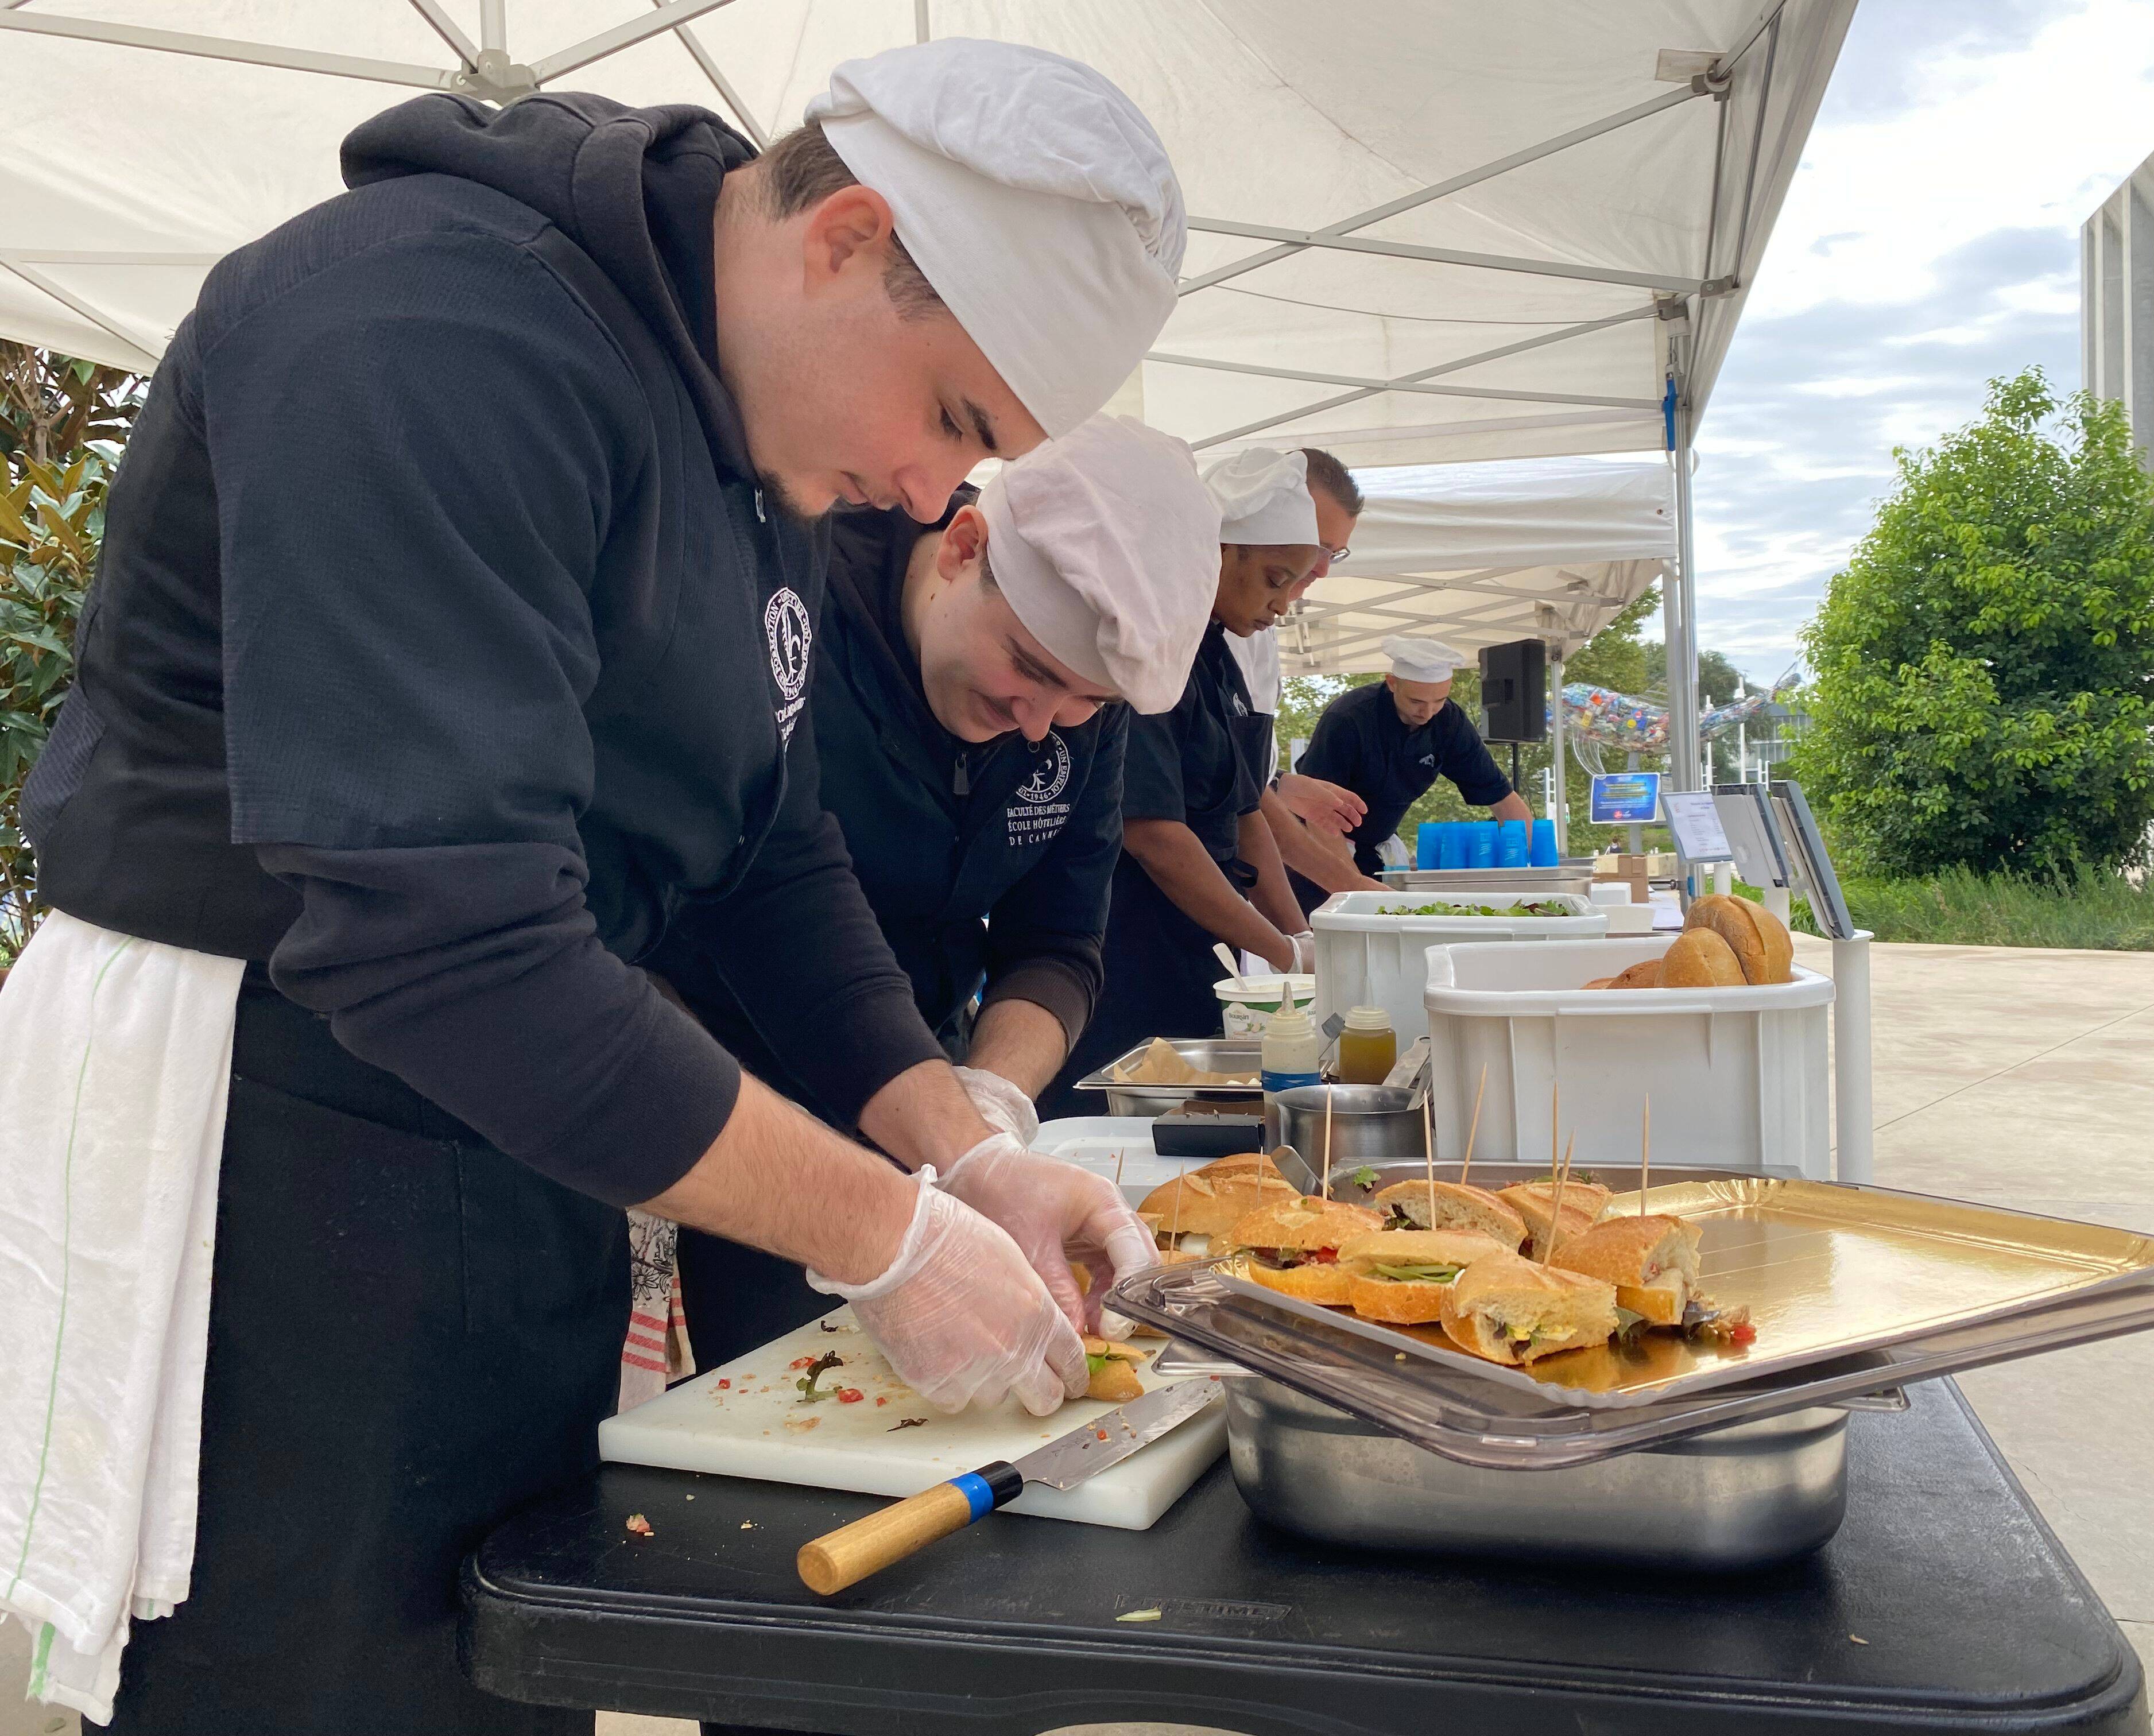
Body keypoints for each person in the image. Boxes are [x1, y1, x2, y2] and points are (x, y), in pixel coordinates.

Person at [0, 40, 1186, 1733]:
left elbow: (762, 851)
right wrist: (882, 1238)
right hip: (259, 1143)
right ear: (844, 235)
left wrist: (955, 1141)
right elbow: (445, 948)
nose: (935, 497)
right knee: (306, 1679)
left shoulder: (742, 435)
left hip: (508, 1153)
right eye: (952, 421)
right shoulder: (424, 331)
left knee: (504, 1662)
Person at [676, 413, 1219, 1369]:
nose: (1038, 722)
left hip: (921, 1096)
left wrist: (990, 1103)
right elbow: (763, 900)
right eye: (1030, 668)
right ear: (963, 549)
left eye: (1083, 707)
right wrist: (950, 1149)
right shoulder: (793, 603)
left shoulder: (1069, 715)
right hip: (716, 1093)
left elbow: (1055, 942)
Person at [1040, 448, 1326, 1119]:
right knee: (1112, 1135)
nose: (1283, 606)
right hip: (1127, 950)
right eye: (1275, 579)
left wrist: (1300, 937)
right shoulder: (1152, 651)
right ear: (1218, 552)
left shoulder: (1217, 658)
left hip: (1204, 952)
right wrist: (1277, 948)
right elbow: (1156, 836)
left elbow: (1245, 811)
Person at [1226, 447, 1389, 902]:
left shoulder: (1257, 623)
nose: (1319, 568)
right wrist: (1350, 890)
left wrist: (1279, 783)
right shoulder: (1215, 627)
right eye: (1315, 544)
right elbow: (1234, 804)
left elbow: (1242, 777)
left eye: (1333, 554)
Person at [1289, 635, 1535, 901]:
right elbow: (1319, 815)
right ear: (1392, 683)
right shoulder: (1348, 719)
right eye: (1416, 702)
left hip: (1376, 847)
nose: (1427, 713)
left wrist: (1531, 877)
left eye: (1439, 701)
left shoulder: (1450, 722)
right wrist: (1351, 889)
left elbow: (1503, 800)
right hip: (1315, 848)